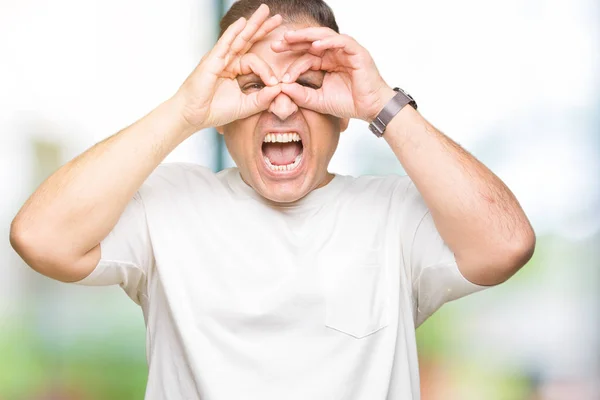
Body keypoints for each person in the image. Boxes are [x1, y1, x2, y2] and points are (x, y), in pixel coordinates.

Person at [9, 1, 536, 399]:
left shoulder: (393, 214)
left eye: (308, 83)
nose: (282, 105)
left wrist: (383, 104)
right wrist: (184, 112)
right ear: (220, 114)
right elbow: (40, 237)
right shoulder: (168, 204)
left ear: (340, 114)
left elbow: (506, 245)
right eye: (252, 84)